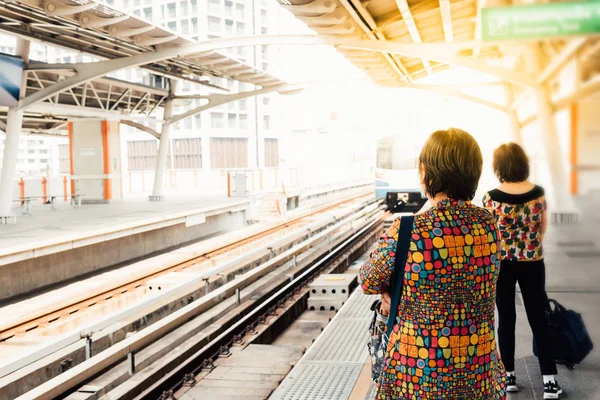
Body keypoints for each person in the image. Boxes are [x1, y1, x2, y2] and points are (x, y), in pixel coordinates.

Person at [360, 128, 506, 399]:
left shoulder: (408, 229)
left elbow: (368, 279)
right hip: (478, 370)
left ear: (425, 172)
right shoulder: (489, 225)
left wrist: (392, 290)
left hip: (418, 373)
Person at [483, 143, 561, 399]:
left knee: (506, 319)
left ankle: (508, 378)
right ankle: (549, 382)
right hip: (532, 263)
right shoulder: (538, 193)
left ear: (499, 166)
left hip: (502, 264)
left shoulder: (491, 198)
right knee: (539, 318)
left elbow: (488, 235)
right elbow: (542, 229)